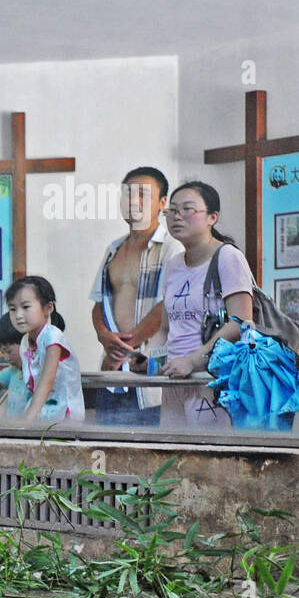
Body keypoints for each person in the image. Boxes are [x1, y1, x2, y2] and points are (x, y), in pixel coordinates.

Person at [156, 181, 254, 430]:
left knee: (209, 460)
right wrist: (148, 359)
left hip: (214, 381)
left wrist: (192, 360)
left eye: (188, 209)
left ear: (213, 217)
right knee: (172, 460)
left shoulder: (228, 257)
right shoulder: (173, 266)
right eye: (172, 210)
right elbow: (166, 327)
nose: (177, 216)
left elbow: (240, 322)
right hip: (175, 381)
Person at [89, 166, 182, 426]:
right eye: (128, 194)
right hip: (111, 371)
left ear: (162, 203)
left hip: (149, 373)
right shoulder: (113, 248)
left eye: (143, 194)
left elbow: (166, 307)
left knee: (149, 456)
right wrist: (104, 337)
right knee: (105, 452)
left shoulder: (172, 248)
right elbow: (99, 303)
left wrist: (123, 349)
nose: (133, 201)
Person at [5, 275, 84, 424]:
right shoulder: (24, 342)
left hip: (63, 415)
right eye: (12, 309)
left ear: (48, 308)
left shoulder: (52, 336)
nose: (18, 315)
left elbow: (47, 381)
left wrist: (26, 422)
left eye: (26, 307)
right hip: (41, 411)